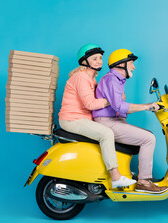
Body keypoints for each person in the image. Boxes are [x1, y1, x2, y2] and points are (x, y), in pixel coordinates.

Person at [58, 44, 136, 188]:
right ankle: (116, 177)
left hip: (82, 119)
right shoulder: (81, 77)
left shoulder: (92, 79)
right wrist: (111, 100)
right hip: (72, 119)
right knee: (106, 134)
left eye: (100, 58)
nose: (99, 61)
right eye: (94, 59)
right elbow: (90, 104)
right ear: (84, 61)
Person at [93, 49, 168, 193]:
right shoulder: (111, 79)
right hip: (107, 121)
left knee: (145, 134)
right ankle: (144, 182)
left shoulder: (117, 80)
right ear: (121, 64)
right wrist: (147, 106)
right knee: (148, 138)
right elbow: (119, 106)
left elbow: (119, 108)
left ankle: (137, 177)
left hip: (114, 120)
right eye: (131, 63)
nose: (133, 67)